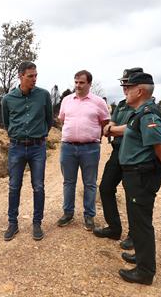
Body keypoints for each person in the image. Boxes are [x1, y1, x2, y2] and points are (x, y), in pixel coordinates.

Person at [117, 72, 161, 285]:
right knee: (137, 219)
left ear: (139, 90)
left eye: (128, 87)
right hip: (135, 174)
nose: (125, 91)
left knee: (142, 223)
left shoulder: (148, 114)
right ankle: (140, 256)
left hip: (142, 175)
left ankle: (145, 272)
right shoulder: (139, 112)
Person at [1, 61, 53, 241]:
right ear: (20, 76)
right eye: (30, 76)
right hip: (16, 147)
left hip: (38, 147)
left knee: (38, 186)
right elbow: (6, 122)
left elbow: (49, 120)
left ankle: (37, 223)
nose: (34, 79)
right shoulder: (7, 99)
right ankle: (12, 223)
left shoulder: (44, 95)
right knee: (14, 186)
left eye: (36, 75)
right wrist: (17, 135)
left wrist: (41, 134)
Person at [93, 68, 143, 251]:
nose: (124, 87)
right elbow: (112, 124)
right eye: (123, 83)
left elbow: (129, 129)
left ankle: (134, 235)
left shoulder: (143, 107)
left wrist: (112, 129)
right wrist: (113, 128)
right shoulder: (122, 105)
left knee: (133, 196)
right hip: (117, 151)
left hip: (135, 155)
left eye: (128, 84)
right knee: (105, 187)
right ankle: (114, 228)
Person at [56, 70, 110, 230]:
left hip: (90, 148)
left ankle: (89, 216)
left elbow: (105, 122)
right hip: (68, 148)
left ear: (89, 84)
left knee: (90, 183)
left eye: (81, 82)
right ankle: (68, 214)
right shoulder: (66, 100)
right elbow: (62, 120)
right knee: (68, 182)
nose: (78, 85)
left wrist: (94, 137)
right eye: (76, 82)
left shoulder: (99, 102)